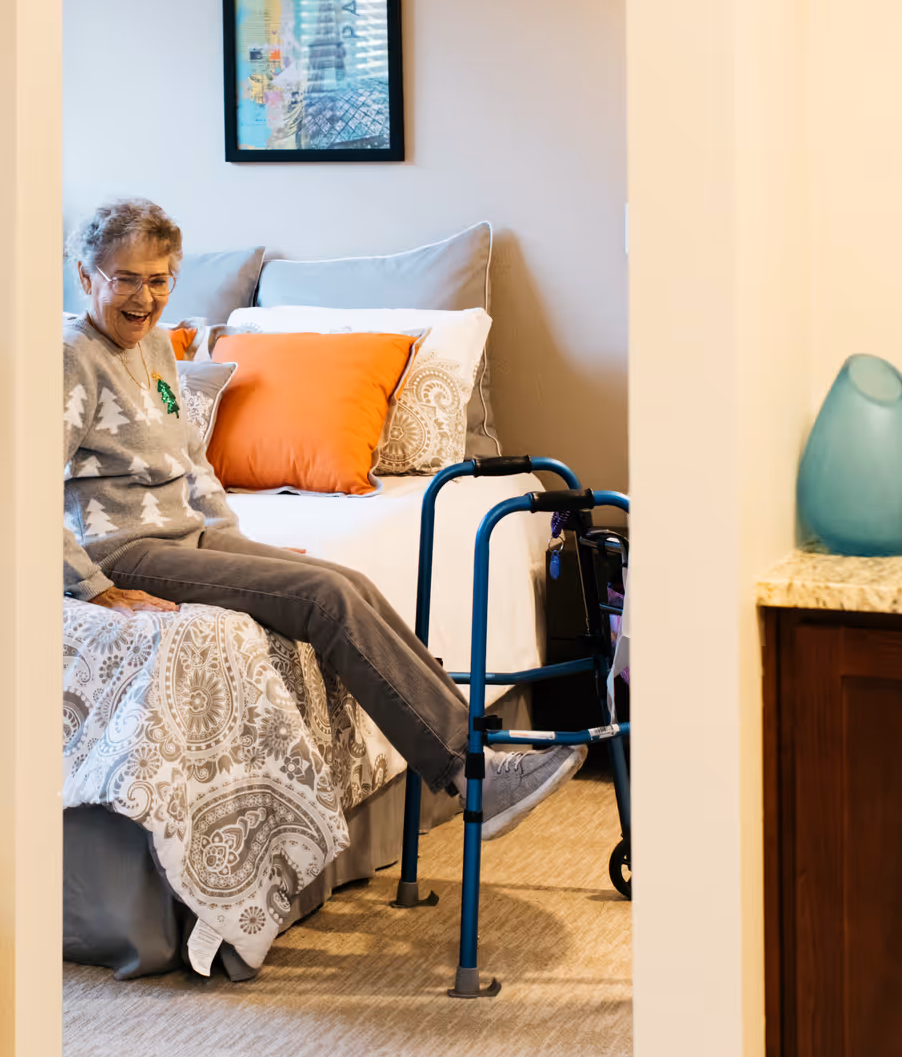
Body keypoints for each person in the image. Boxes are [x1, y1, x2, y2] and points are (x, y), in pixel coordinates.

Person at [62, 197, 583, 840]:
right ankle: (469, 773)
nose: (145, 298)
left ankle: (476, 754)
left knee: (349, 580)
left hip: (190, 536)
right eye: (126, 279)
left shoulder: (157, 351)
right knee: (327, 596)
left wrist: (238, 549)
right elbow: (24, 482)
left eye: (159, 279)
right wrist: (91, 586)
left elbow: (194, 466)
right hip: (125, 548)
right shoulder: (70, 357)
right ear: (86, 277)